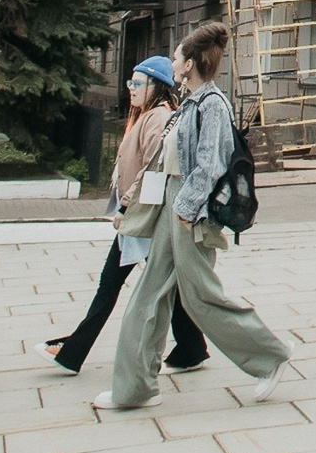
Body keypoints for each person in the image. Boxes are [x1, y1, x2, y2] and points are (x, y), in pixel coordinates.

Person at [96, 21, 294, 409]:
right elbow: (162, 161)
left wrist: (186, 212)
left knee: (201, 295)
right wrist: (133, 204)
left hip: (191, 210)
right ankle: (133, 388)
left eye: (175, 57)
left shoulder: (212, 104)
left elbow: (208, 166)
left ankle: (271, 355)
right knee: (149, 295)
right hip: (174, 202)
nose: (172, 63)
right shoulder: (190, 102)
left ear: (189, 64)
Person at [42, 57, 208, 375]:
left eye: (137, 83)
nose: (130, 89)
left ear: (156, 86)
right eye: (130, 82)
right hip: (141, 216)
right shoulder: (148, 115)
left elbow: (153, 171)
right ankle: (191, 348)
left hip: (141, 217)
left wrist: (126, 207)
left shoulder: (159, 118)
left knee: (110, 284)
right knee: (166, 285)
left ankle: (72, 352)